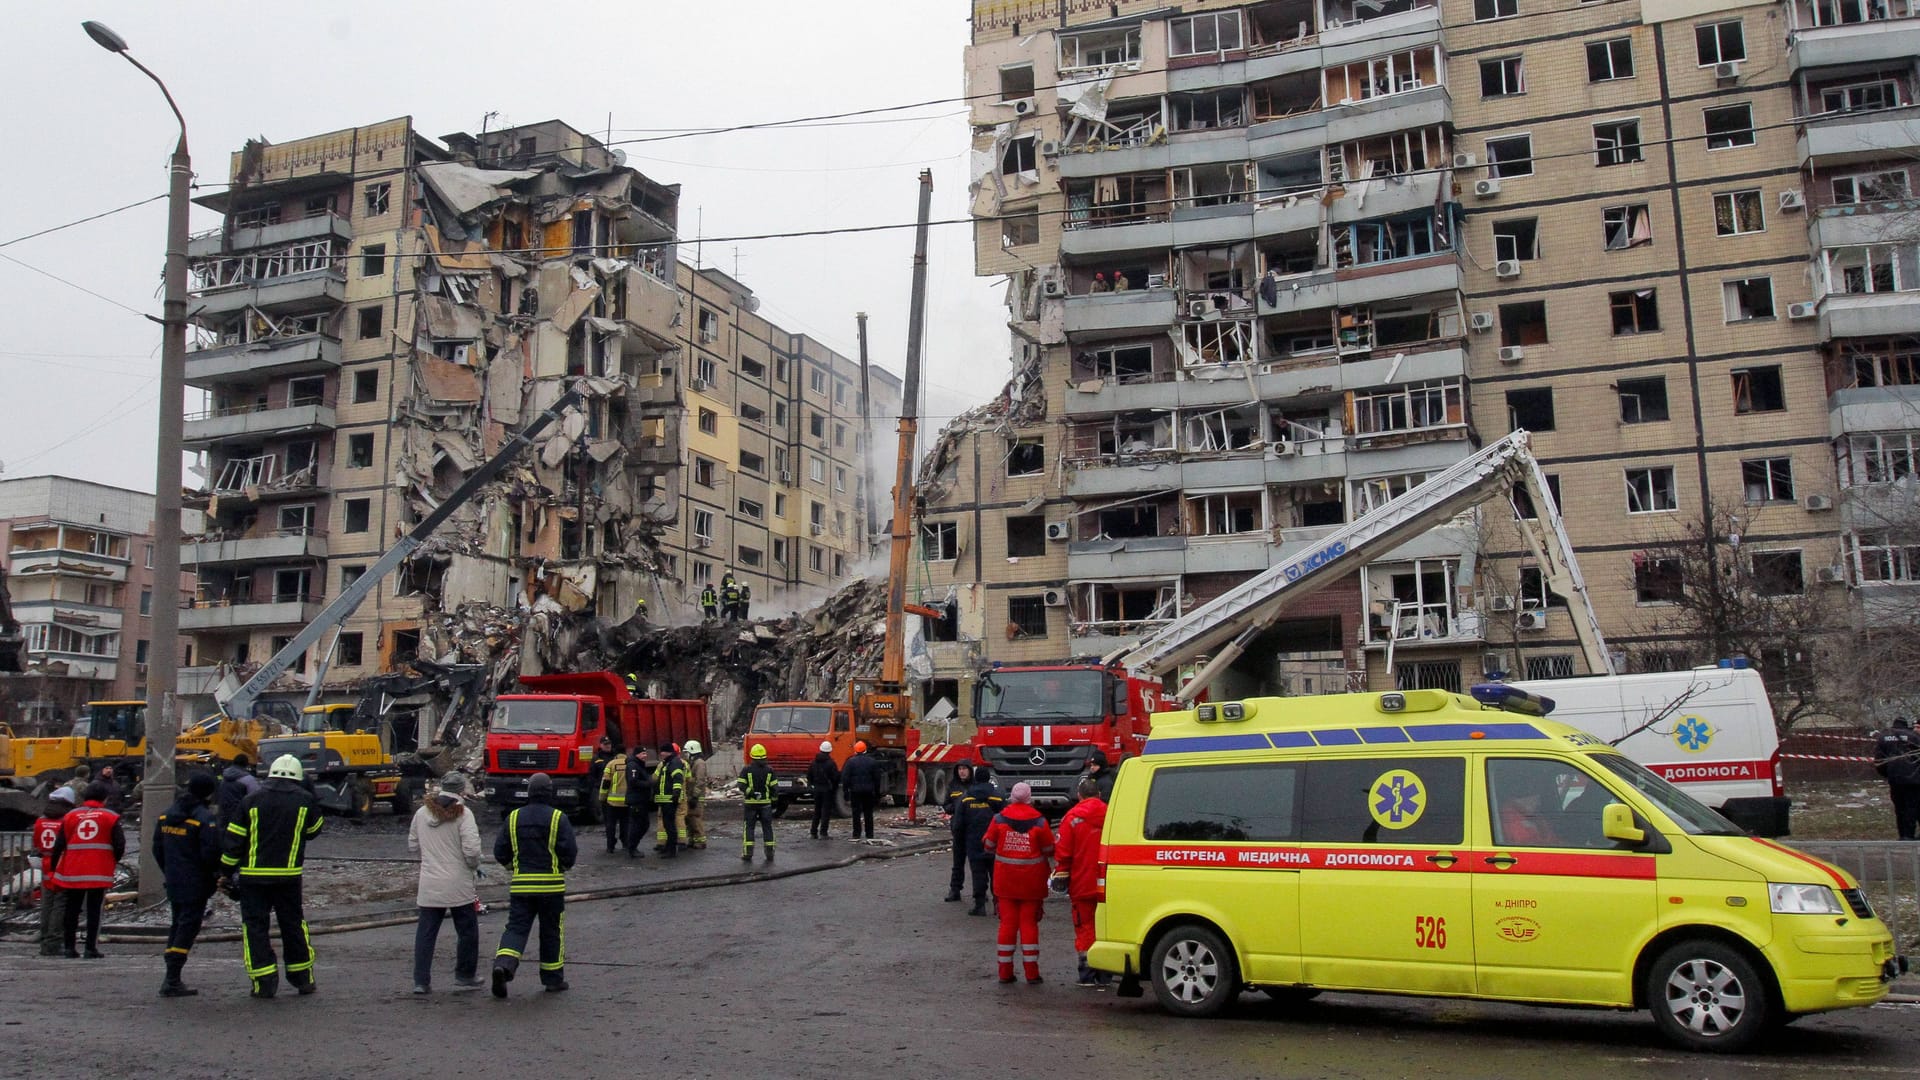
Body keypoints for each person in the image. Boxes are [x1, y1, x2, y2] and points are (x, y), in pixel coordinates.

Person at [222, 754, 324, 999]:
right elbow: (314, 830)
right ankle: (302, 979)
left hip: (253, 878)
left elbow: (234, 840)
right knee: (293, 926)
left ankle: (264, 983)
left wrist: (225, 873)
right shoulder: (305, 800)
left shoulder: (251, 800)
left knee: (255, 928)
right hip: (288, 877)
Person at [491, 772, 578, 997]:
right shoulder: (558, 817)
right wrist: (562, 867)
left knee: (516, 928)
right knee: (551, 932)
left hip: (521, 886)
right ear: (549, 792)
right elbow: (569, 851)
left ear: (529, 792)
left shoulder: (513, 817)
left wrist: (513, 867)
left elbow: (500, 851)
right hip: (551, 887)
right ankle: (553, 979)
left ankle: (504, 965)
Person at [409, 775, 484, 995]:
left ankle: (421, 981)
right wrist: (473, 866)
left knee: (426, 933)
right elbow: (471, 852)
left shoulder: (421, 813)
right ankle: (465, 975)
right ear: (461, 791)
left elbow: (412, 845)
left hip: (430, 883)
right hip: (458, 883)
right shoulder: (464, 815)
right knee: (467, 931)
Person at [153, 772, 223, 996]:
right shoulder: (203, 818)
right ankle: (172, 978)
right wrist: (214, 875)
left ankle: (171, 976)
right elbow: (210, 852)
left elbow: (157, 848)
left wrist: (169, 870)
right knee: (187, 927)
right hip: (195, 882)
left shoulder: (166, 816)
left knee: (178, 924)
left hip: (174, 879)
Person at [982, 782, 1055, 984]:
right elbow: (1049, 849)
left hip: (1005, 882)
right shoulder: (1040, 822)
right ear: (1029, 798)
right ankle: (1032, 973)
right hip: (1032, 882)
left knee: (1007, 925)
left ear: (1011, 797)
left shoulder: (999, 819)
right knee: (1029, 925)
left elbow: (988, 845)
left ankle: (1005, 973)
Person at [50, 781, 124, 959]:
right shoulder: (111, 817)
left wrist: (53, 868)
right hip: (98, 871)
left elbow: (59, 843)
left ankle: (69, 947)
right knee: (94, 911)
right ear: (105, 798)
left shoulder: (70, 816)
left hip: (73, 870)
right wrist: (112, 860)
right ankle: (90, 948)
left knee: (72, 909)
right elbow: (119, 844)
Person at [1052, 777, 1110, 987]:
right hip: (1110, 882)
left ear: (1079, 795)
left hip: (1082, 882)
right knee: (1107, 927)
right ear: (1099, 795)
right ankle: (1106, 973)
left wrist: (1060, 877)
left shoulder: (1072, 818)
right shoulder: (1112, 814)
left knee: (1085, 926)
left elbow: (1063, 853)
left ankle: (1087, 973)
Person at [31, 790, 75, 957]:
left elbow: (36, 843)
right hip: (62, 863)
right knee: (60, 903)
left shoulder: (40, 821)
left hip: (46, 863)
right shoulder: (66, 820)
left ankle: (44, 941)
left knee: (47, 903)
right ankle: (54, 942)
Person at [957, 766, 1005, 916]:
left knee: (978, 873)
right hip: (995, 842)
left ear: (976, 778)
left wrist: (960, 841)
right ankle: (998, 905)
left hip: (974, 841)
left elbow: (958, 823)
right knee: (996, 874)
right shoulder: (998, 797)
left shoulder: (966, 798)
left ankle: (979, 905)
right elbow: (1006, 819)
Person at [1873, 716, 1920, 840]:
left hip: (1895, 780)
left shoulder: (1883, 738)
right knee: (1912, 807)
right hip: (1914, 779)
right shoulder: (1914, 737)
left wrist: (1888, 774)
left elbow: (1879, 761)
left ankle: (1902, 836)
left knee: (1900, 808)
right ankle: (1909, 836)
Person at [942, 763, 976, 902]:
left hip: (974, 828)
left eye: (964, 769)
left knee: (976, 863)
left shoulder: (975, 785)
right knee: (958, 862)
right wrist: (956, 806)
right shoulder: (953, 786)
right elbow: (946, 805)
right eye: (960, 769)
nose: (962, 772)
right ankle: (955, 890)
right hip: (958, 828)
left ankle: (979, 891)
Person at [738, 743, 777, 862]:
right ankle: (769, 853)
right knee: (767, 827)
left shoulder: (746, 769)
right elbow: (775, 789)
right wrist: (774, 804)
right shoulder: (770, 770)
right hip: (765, 804)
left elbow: (741, 785)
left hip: (751, 803)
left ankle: (748, 853)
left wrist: (750, 792)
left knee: (749, 828)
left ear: (752, 756)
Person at [841, 740, 883, 840]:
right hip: (868, 791)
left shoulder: (850, 762)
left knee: (856, 813)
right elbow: (877, 778)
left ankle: (856, 834)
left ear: (855, 750)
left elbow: (845, 778)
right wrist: (877, 792)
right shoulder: (872, 762)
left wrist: (845, 791)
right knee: (868, 813)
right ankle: (869, 834)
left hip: (855, 791)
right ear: (865, 750)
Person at [653, 742, 689, 857]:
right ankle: (669, 847)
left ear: (666, 752)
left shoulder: (673, 763)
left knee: (670, 825)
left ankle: (671, 850)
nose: (660, 754)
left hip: (670, 799)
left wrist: (675, 794)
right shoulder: (667, 763)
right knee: (668, 824)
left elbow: (677, 778)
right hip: (666, 799)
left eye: (662, 752)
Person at [599, 741, 632, 855]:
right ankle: (626, 844)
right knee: (625, 823)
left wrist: (602, 797)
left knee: (610, 825)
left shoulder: (611, 764)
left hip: (612, 802)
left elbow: (605, 783)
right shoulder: (631, 763)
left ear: (616, 753)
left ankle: (610, 847)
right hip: (627, 801)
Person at [624, 745, 654, 856]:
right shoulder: (633, 765)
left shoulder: (639, 765)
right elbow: (633, 781)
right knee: (638, 825)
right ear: (636, 754)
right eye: (642, 754)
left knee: (644, 824)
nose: (644, 756)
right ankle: (632, 848)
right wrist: (648, 784)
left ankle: (633, 846)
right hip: (636, 801)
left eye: (645, 754)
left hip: (641, 800)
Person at [807, 740, 839, 840]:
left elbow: (809, 776)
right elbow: (835, 777)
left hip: (817, 789)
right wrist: (833, 787)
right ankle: (823, 833)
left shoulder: (813, 762)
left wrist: (813, 785)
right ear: (829, 751)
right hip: (827, 790)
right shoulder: (831, 763)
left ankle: (813, 832)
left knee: (817, 811)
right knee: (825, 811)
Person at [683, 739, 710, 849]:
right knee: (690, 818)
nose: (685, 755)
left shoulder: (700, 764)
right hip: (691, 795)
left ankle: (700, 841)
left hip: (697, 796)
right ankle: (693, 840)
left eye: (686, 752)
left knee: (695, 818)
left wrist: (695, 796)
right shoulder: (692, 763)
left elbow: (700, 781)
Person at [217, 755, 259, 824]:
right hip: (240, 818)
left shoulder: (224, 777)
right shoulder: (248, 779)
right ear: (246, 764)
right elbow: (256, 798)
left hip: (224, 816)